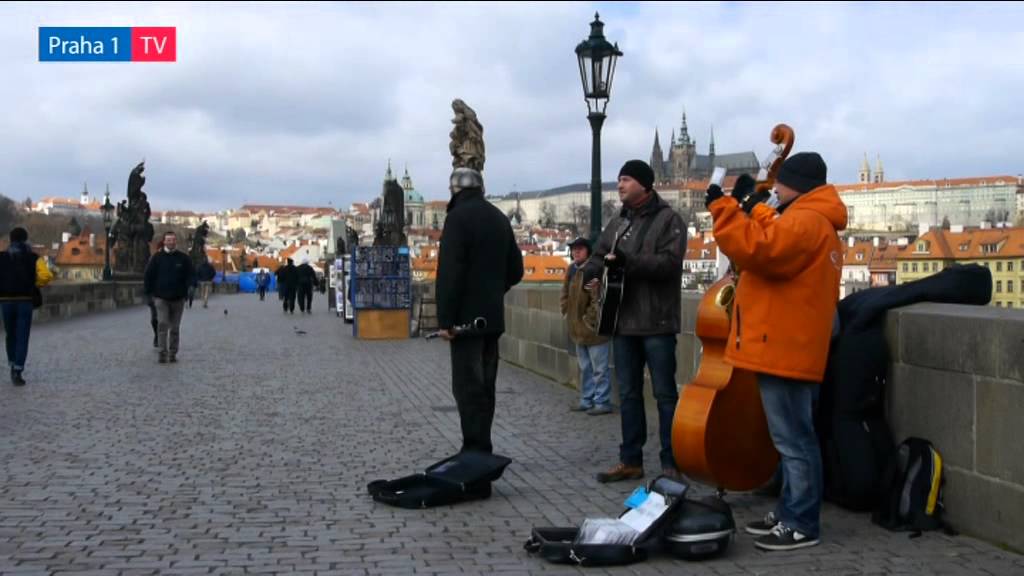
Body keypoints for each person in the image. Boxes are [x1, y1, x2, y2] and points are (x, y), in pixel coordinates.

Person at [705, 152, 846, 551]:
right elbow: (776, 238)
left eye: (780, 184)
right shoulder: (812, 219)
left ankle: (801, 521)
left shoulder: (805, 221)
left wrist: (723, 207)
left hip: (783, 344)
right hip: (789, 343)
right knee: (793, 438)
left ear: (796, 185)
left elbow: (759, 250)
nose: (775, 189)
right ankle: (790, 512)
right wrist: (759, 208)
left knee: (794, 440)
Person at [581, 160, 686, 484]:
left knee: (665, 395)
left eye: (625, 179)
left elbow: (669, 264)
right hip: (623, 319)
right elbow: (597, 256)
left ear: (644, 183)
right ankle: (631, 460)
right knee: (627, 394)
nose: (620, 185)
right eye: (618, 179)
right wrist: (593, 274)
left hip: (657, 321)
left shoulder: (669, 220)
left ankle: (672, 463)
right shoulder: (619, 220)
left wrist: (628, 263)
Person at [437, 167, 524, 459]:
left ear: (454, 190)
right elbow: (516, 271)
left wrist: (446, 321)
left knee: (468, 388)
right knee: (486, 388)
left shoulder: (457, 218)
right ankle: (482, 447)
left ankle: (475, 451)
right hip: (492, 321)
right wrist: (491, 293)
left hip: (465, 323)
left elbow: (449, 273)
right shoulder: (499, 218)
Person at [560, 236, 612, 415]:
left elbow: (597, 300)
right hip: (577, 328)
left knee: (599, 369)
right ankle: (587, 399)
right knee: (585, 368)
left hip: (593, 331)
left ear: (588, 251)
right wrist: (565, 309)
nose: (575, 252)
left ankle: (602, 401)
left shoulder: (593, 269)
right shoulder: (572, 270)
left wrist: (588, 322)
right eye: (574, 249)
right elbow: (565, 292)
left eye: (580, 249)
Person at [0, 227, 53, 385]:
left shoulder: (1, 257)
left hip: (6, 301)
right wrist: (32, 284)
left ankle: (11, 363)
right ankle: (18, 370)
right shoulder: (33, 257)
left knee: (10, 334)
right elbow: (46, 275)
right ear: (25, 239)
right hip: (24, 301)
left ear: (10, 239)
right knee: (22, 336)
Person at [143, 231, 195, 364]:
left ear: (175, 242)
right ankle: (162, 352)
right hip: (161, 297)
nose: (171, 242)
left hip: (178, 298)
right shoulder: (157, 258)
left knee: (175, 327)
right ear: (164, 242)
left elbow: (191, 275)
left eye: (173, 240)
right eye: (168, 240)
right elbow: (148, 276)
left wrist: (191, 286)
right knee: (162, 323)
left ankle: (172, 353)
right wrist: (148, 294)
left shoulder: (183, 258)